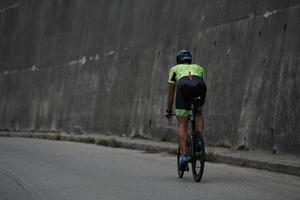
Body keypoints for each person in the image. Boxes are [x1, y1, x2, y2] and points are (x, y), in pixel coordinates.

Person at [165, 49, 207, 170]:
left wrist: (168, 110)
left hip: (183, 86)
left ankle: (183, 156)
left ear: (178, 61)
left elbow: (171, 93)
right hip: (200, 86)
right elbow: (202, 82)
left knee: (182, 123)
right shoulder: (199, 67)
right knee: (198, 112)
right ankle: (199, 140)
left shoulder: (174, 69)